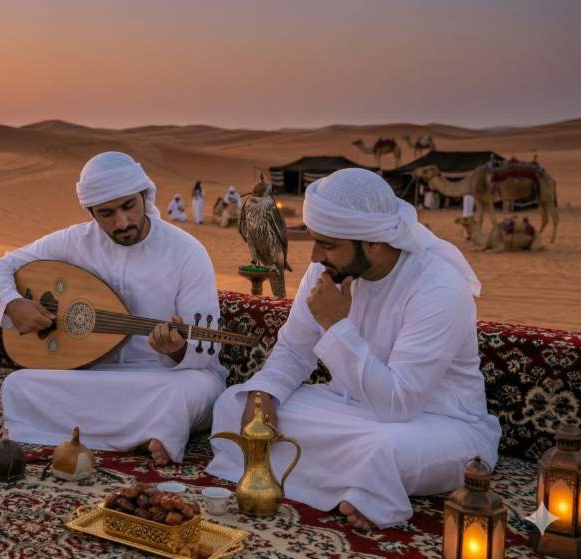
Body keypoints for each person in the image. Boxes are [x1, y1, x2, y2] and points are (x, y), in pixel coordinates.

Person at [206, 168, 499, 530]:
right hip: (348, 410)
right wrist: (264, 391)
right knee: (233, 404)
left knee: (381, 450)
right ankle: (355, 488)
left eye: (328, 244)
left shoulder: (438, 287)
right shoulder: (328, 270)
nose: (315, 256)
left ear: (373, 241)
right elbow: (294, 350)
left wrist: (335, 325)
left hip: (437, 425)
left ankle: (362, 486)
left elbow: (398, 404)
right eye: (314, 240)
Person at [0, 152, 227, 466]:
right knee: (19, 386)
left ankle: (111, 430)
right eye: (107, 213)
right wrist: (12, 303)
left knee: (191, 391)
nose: (122, 222)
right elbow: (1, 266)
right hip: (92, 373)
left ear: (145, 195)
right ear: (91, 212)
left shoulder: (187, 252)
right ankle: (145, 433)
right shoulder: (72, 242)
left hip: (162, 376)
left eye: (129, 206)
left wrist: (178, 350)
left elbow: (207, 351)